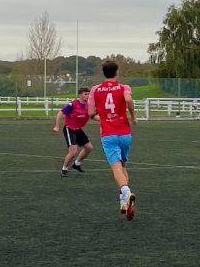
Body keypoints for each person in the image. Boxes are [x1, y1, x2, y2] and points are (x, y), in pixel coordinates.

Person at [89, 60, 138, 220]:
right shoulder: (124, 87)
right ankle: (123, 202)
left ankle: (126, 192)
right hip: (124, 133)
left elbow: (90, 113)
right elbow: (129, 100)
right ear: (117, 71)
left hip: (108, 134)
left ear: (104, 72)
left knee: (116, 169)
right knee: (123, 166)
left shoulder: (95, 90)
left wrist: (103, 118)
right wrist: (133, 116)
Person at [53, 87, 93, 176]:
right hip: (69, 128)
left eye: (88, 94)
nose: (87, 96)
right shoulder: (73, 104)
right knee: (73, 152)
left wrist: (105, 121)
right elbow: (60, 113)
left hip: (78, 129)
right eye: (85, 94)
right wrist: (57, 126)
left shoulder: (89, 105)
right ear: (80, 95)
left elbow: (93, 116)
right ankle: (64, 169)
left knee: (89, 147)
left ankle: (77, 164)